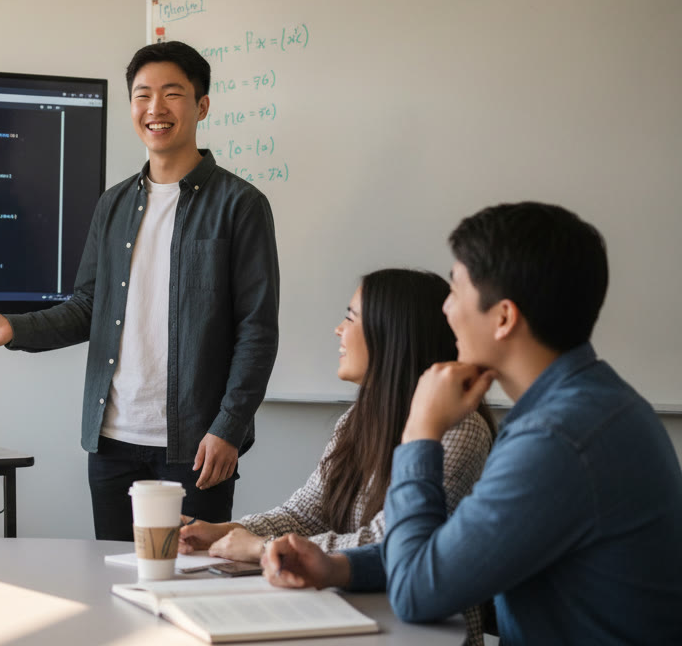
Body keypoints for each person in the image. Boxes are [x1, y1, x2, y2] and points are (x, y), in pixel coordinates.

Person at [260, 203, 682, 645]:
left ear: (503, 317)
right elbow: (451, 555)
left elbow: (417, 591)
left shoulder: (556, 439)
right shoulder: (583, 406)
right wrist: (339, 567)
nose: (445, 310)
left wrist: (420, 431)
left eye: (456, 291)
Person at [0, 41, 279, 539]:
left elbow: (256, 331)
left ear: (202, 105)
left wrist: (229, 427)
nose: (155, 109)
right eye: (143, 95)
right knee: (115, 585)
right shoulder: (113, 205)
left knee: (191, 584)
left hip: (197, 446)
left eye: (172, 94)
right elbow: (86, 308)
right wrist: (14, 328)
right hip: (112, 440)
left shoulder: (241, 205)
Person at [179, 269, 494, 562]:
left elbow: (386, 541)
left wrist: (266, 549)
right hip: (354, 598)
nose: (339, 329)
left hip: (424, 618)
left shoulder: (461, 429)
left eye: (351, 318)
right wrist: (220, 531)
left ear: (392, 335)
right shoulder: (359, 418)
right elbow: (306, 515)